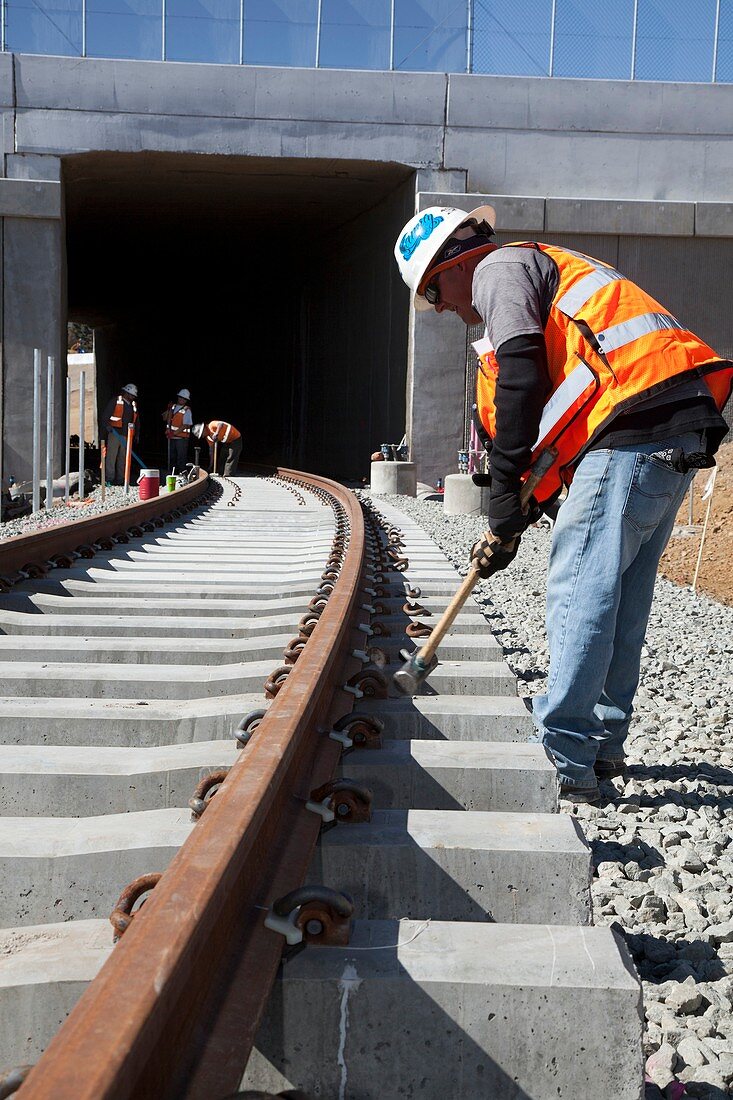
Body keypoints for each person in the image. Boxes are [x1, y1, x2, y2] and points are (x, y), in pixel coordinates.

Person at [394, 205, 732, 803]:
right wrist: (516, 516)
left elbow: (522, 378)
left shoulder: (498, 269)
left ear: (454, 260)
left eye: (434, 291)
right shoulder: (543, 269)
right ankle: (599, 745)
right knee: (621, 590)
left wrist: (501, 492)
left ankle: (562, 753)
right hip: (672, 422)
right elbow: (560, 400)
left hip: (632, 423)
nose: (443, 307)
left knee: (580, 581)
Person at [102, 383, 139, 486]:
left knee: (123, 458)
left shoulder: (133, 405)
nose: (132, 397)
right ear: (126, 393)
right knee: (111, 457)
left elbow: (137, 421)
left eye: (133, 396)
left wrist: (136, 435)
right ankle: (109, 479)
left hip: (127, 435)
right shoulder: (115, 401)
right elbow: (105, 416)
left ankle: (121, 479)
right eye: (131, 395)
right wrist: (107, 426)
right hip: (115, 434)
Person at [162, 388, 193, 474]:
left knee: (181, 458)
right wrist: (168, 409)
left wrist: (174, 433)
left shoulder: (187, 410)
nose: (181, 399)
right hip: (172, 437)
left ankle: (182, 474)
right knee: (172, 457)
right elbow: (165, 418)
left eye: (183, 398)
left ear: (186, 400)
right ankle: (172, 473)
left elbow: (186, 425)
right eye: (180, 397)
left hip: (181, 439)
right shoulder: (173, 407)